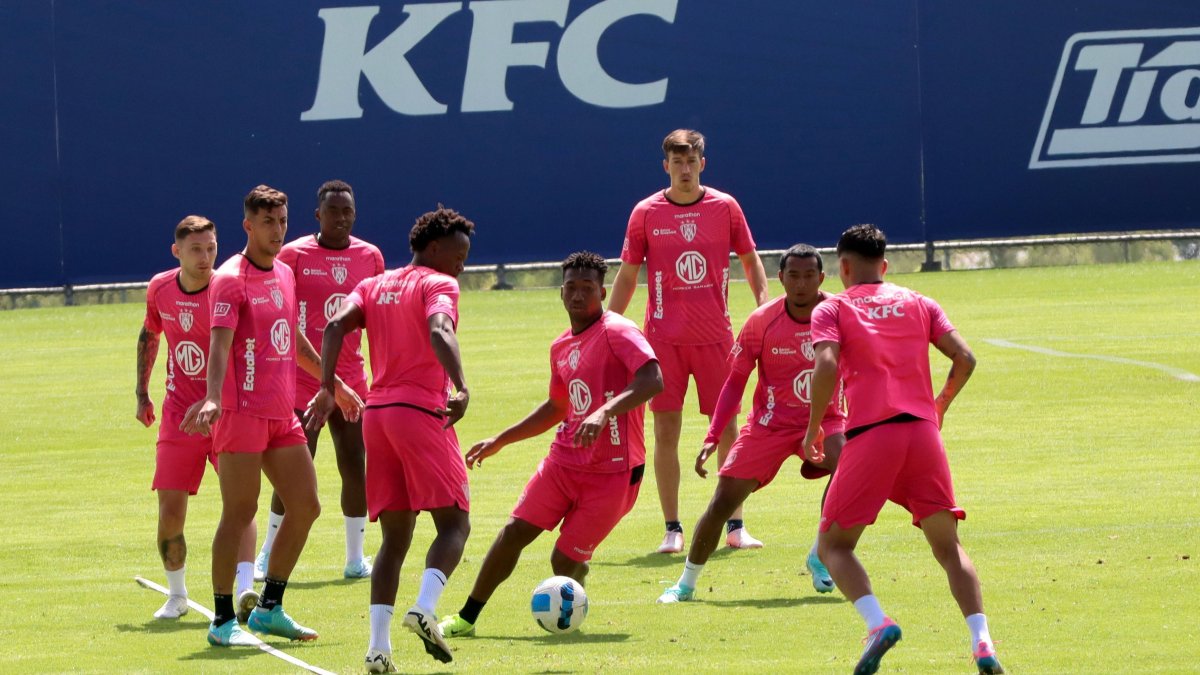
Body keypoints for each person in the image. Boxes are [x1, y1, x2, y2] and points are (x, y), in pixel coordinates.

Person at [801, 224, 1004, 674]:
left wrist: (813, 427)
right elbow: (966, 358)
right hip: (923, 435)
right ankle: (982, 642)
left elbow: (827, 363)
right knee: (948, 547)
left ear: (843, 267)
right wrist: (940, 405)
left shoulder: (832, 307)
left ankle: (878, 624)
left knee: (833, 546)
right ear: (886, 265)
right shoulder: (919, 302)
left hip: (872, 434)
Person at [436, 251, 662, 641]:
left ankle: (576, 584)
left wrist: (604, 411)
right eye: (571, 287)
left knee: (563, 560)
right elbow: (557, 407)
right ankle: (466, 618)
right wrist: (501, 440)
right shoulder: (560, 346)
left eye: (587, 288)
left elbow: (653, 379)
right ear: (560, 292)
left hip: (614, 472)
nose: (578, 295)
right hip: (563, 464)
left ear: (602, 292)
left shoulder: (618, 331)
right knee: (513, 532)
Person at [181, 185, 363, 648]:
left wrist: (333, 384)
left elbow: (294, 337)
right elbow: (218, 343)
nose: (278, 230)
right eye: (268, 222)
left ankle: (268, 608)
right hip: (241, 412)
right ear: (248, 226)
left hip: (282, 413)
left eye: (282, 221)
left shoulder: (283, 271)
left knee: (306, 505)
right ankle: (223, 620)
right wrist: (212, 397)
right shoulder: (229, 278)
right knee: (240, 512)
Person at [306, 206, 475, 671]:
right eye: (458, 256)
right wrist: (461, 385)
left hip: (376, 416)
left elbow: (334, 325)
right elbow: (440, 328)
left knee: (394, 540)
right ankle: (424, 608)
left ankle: (378, 648)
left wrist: (326, 385)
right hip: (419, 413)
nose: (461, 266)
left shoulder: (373, 284)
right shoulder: (438, 284)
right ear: (435, 248)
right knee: (455, 525)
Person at [608, 128, 770, 554]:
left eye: (691, 161)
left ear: (703, 163)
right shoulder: (646, 212)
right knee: (666, 429)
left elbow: (751, 260)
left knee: (728, 427)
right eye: (677, 162)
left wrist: (764, 306)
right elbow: (628, 274)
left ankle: (735, 524)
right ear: (666, 166)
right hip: (663, 342)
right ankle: (672, 528)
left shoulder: (725, 207)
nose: (684, 169)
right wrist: (607, 324)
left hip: (717, 340)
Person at [657, 244, 845, 603]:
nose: (801, 284)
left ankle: (820, 553)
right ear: (781, 278)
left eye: (809, 276)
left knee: (849, 467)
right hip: (769, 425)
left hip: (826, 419)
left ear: (822, 277)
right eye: (793, 276)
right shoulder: (762, 321)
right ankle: (685, 584)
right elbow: (735, 382)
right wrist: (714, 434)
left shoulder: (841, 314)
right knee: (723, 501)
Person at [260, 179, 385, 581]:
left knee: (354, 464)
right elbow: (281, 314)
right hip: (301, 383)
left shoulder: (370, 256)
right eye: (333, 211)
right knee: (293, 469)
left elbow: (377, 321)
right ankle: (266, 554)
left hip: (352, 382)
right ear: (318, 215)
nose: (341, 218)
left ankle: (355, 559)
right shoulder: (294, 255)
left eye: (348, 211)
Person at [136, 216, 258, 622]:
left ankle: (246, 590)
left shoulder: (230, 288)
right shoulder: (160, 288)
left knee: (241, 504)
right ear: (177, 252)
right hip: (179, 415)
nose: (206, 257)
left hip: (228, 414)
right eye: (195, 250)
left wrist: (226, 400)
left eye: (211, 248)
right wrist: (141, 393)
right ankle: (177, 596)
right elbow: (150, 334)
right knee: (170, 511)